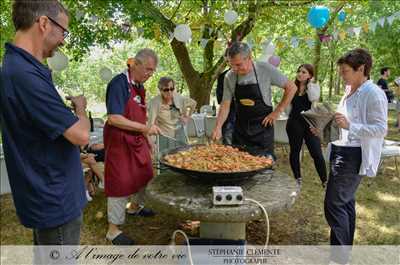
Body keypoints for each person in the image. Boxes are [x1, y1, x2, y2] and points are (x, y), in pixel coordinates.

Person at [0, 0, 89, 248]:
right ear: (43, 23)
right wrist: (81, 109)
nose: (63, 40)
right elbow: (80, 135)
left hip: (51, 192)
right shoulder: (23, 74)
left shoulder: (25, 68)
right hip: (54, 198)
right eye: (63, 31)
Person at [322, 49, 387, 265]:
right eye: (341, 71)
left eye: (346, 71)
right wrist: (324, 126)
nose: (342, 75)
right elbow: (343, 124)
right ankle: (343, 258)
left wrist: (351, 126)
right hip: (341, 150)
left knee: (334, 204)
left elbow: (380, 129)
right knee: (345, 203)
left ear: (362, 69)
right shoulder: (350, 90)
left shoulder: (374, 93)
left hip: (354, 154)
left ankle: (339, 260)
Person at [104, 49, 161, 245]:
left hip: (137, 140)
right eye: (147, 69)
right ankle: (113, 230)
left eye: (152, 71)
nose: (149, 74)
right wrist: (146, 128)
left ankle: (135, 207)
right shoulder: (119, 83)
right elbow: (114, 118)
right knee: (120, 182)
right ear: (135, 64)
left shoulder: (140, 86)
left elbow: (140, 116)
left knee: (145, 174)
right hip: (119, 141)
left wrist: (148, 138)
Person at [211, 41, 297, 159]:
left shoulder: (264, 69)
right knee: (238, 164)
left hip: (263, 129)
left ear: (249, 58)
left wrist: (277, 112)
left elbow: (292, 87)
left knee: (264, 167)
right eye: (231, 65)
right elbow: (225, 105)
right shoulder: (229, 77)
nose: (234, 69)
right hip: (240, 130)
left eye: (238, 64)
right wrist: (218, 127)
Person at [286, 64, 327, 189]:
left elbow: (313, 98)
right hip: (294, 123)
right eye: (299, 71)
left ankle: (325, 180)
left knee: (317, 153)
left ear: (310, 75)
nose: (300, 74)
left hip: (310, 124)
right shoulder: (292, 87)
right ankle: (297, 178)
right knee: (295, 151)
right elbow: (288, 106)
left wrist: (310, 84)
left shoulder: (313, 87)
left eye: (304, 72)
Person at [147, 76, 196, 152]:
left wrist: (187, 117)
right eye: (166, 90)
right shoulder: (155, 103)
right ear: (160, 90)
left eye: (171, 89)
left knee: (185, 159)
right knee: (166, 160)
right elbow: (150, 124)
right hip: (165, 137)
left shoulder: (178, 98)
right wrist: (150, 141)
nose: (169, 92)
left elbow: (193, 103)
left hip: (180, 135)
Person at [216, 68, 236, 145]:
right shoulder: (223, 76)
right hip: (229, 116)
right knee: (228, 146)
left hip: (246, 121)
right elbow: (221, 100)